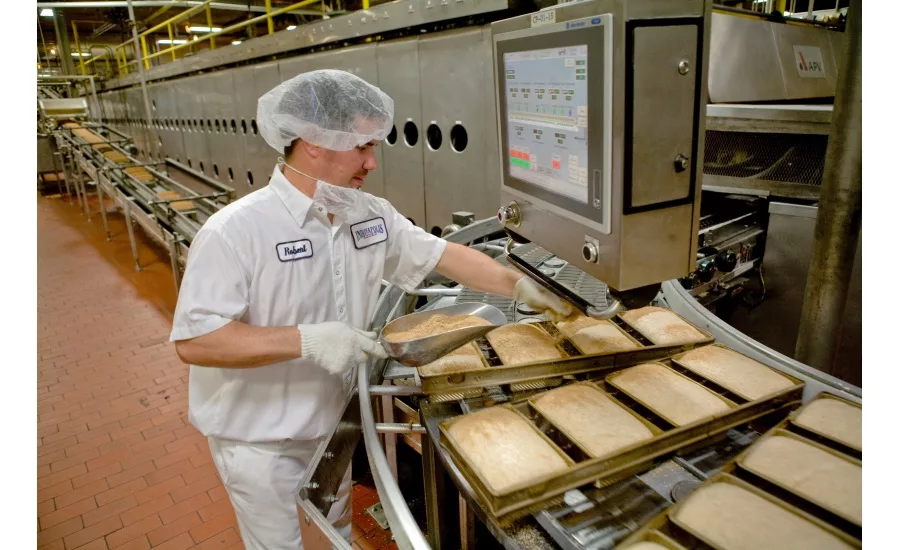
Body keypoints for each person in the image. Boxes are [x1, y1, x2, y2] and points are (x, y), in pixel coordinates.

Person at [169, 69, 573, 549]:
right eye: (362, 146)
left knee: (335, 535)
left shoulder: (369, 214)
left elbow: (443, 256)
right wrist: (309, 340)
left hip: (333, 425)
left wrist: (523, 287)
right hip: (261, 441)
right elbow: (197, 341)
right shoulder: (235, 231)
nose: (372, 162)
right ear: (315, 141)